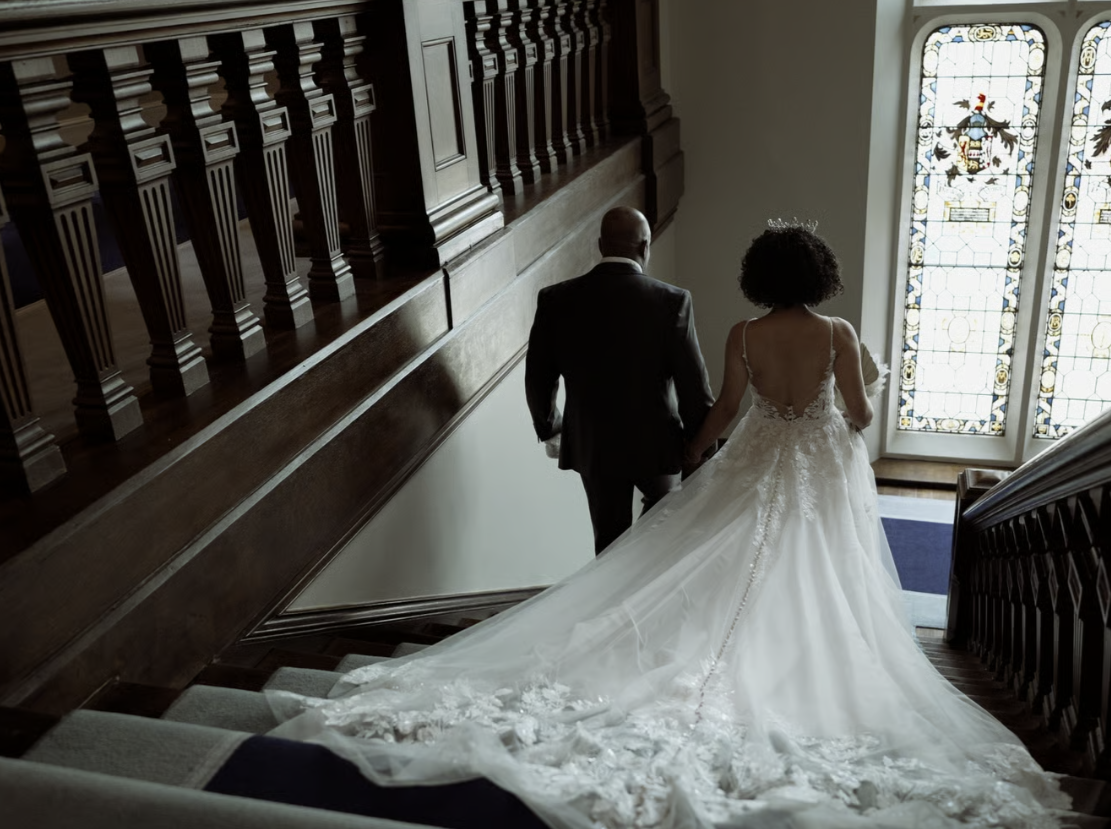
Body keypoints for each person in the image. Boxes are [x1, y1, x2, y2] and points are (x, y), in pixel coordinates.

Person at [270, 222, 1070, 828]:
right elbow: (858, 417)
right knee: (819, 568)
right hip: (820, 464)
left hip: (757, 456)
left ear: (761, 276)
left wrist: (696, 457)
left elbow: (724, 409)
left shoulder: (745, 333)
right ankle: (789, 660)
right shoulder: (838, 335)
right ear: (819, 277)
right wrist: (858, 393)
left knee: (725, 559)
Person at [525, 206, 715, 554]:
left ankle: (613, 602)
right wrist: (700, 448)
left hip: (593, 444)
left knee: (608, 541)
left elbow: (538, 375)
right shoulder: (671, 301)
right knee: (665, 532)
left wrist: (550, 425)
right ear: (645, 247)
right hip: (657, 444)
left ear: (600, 245)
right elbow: (693, 383)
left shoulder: (556, 299)